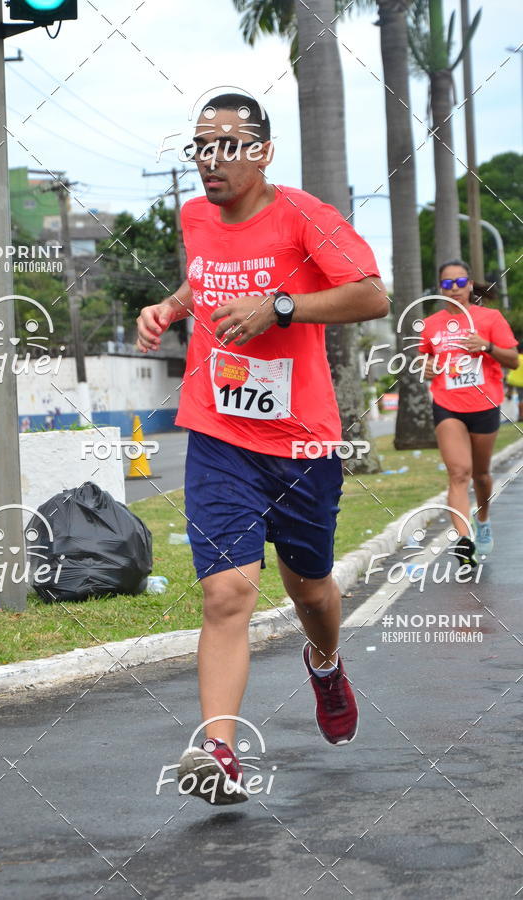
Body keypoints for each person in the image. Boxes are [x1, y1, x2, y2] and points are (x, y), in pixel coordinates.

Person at [137, 93, 388, 805]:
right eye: (200, 146)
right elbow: (205, 276)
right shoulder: (195, 218)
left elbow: (372, 294)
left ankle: (327, 661)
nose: (210, 160)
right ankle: (219, 752)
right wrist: (170, 307)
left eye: (227, 144)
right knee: (226, 593)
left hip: (302, 443)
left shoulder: (306, 217)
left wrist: (280, 306)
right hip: (220, 435)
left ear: (263, 152)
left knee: (309, 588)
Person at [419, 259, 518, 566]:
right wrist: (427, 367)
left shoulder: (490, 318)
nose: (455, 289)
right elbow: (424, 363)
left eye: (460, 283)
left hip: (485, 404)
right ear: (440, 289)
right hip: (447, 404)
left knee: (481, 475)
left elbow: (513, 360)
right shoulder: (432, 324)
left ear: (470, 285)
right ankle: (464, 542)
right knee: (459, 473)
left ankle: (483, 520)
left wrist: (486, 347)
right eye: (448, 284)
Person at [506, 340, 523, 422]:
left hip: (511, 380)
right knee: (521, 399)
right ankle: (521, 416)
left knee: (510, 397)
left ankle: (509, 395)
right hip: (520, 382)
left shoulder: (515, 357)